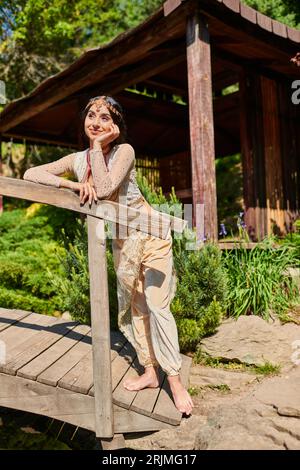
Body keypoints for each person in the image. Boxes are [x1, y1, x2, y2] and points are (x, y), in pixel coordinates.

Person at [23, 95, 194, 416]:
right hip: (123, 242)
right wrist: (72, 186)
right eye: (91, 116)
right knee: (137, 308)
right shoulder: (78, 159)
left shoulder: (123, 152)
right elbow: (31, 173)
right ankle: (149, 371)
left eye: (105, 118)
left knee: (158, 306)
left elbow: (103, 188)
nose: (96, 122)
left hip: (152, 233)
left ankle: (174, 379)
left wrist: (100, 148)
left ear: (115, 126)